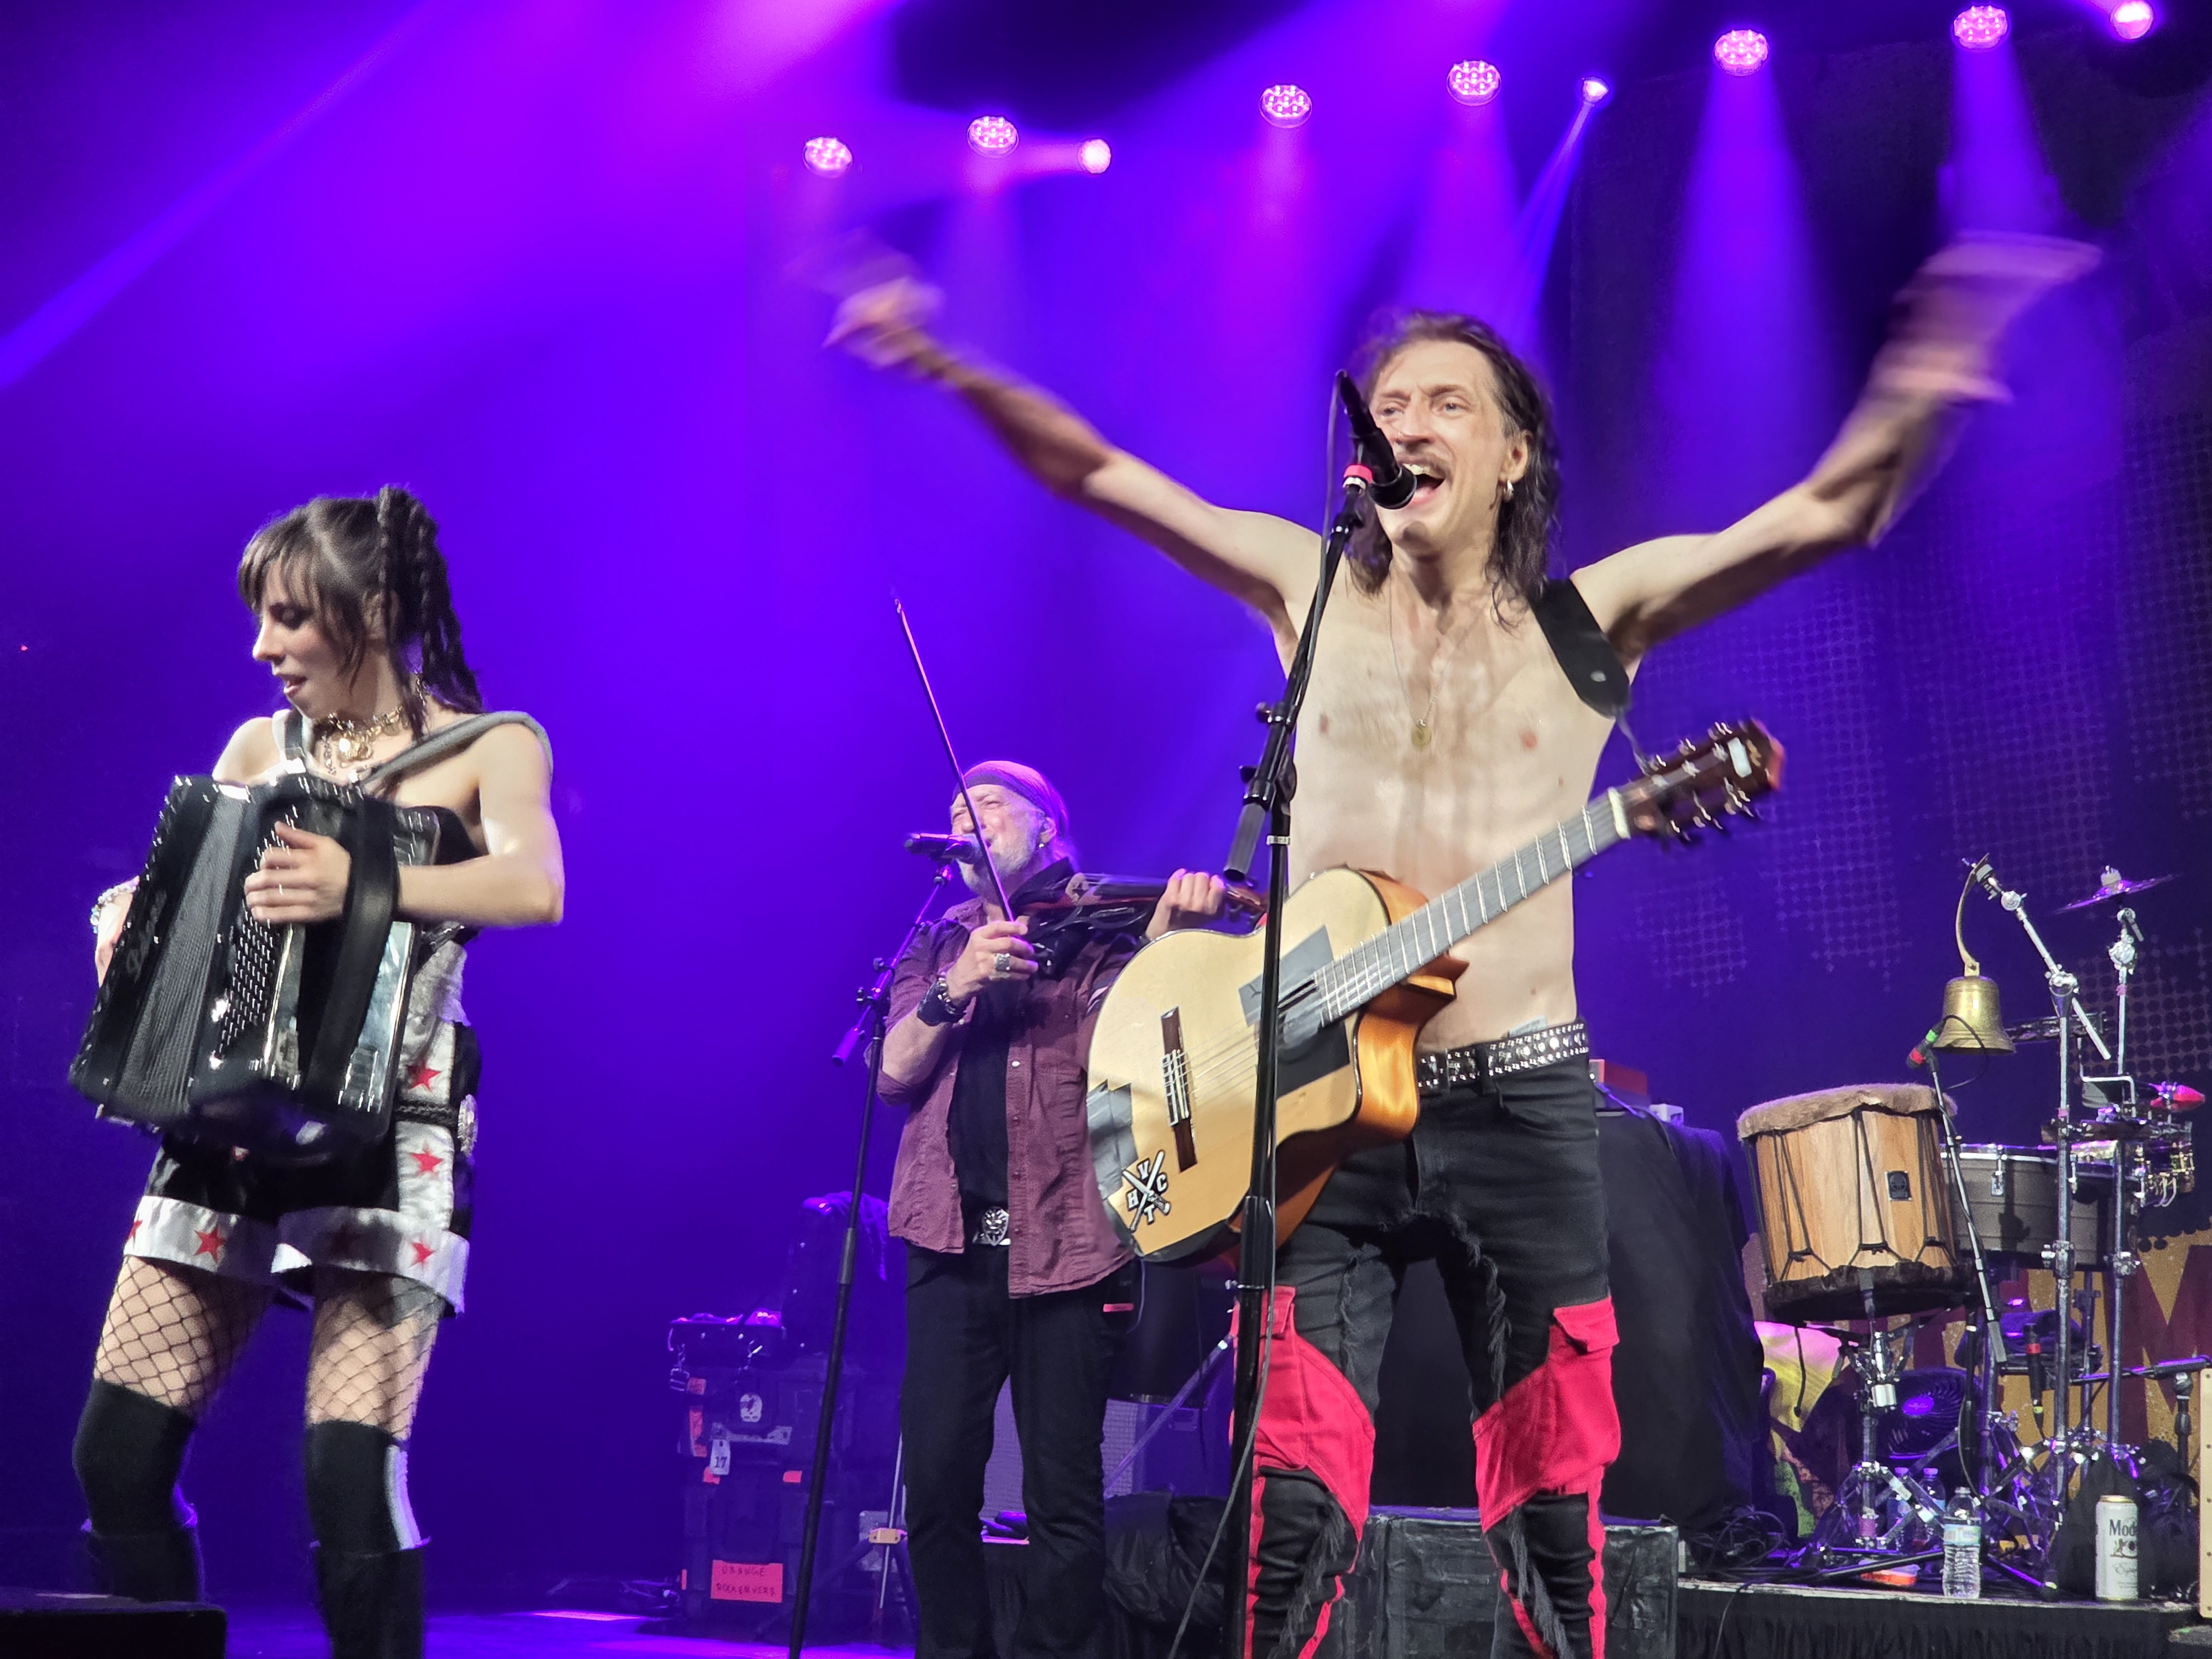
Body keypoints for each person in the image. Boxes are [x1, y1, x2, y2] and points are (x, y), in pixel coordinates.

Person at [832, 233, 2091, 1658]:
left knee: (1552, 1506)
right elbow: (1099, 476)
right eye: (1388, 403)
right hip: (1318, 1108)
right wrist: (944, 359)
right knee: (1292, 1508)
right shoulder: (1300, 592)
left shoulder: (1590, 618)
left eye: (1444, 403)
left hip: (1522, 1095)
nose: (1403, 421)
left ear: (1508, 456)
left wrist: (1927, 374)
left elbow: (1826, 514)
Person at [76, 488, 563, 1658]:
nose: (263, 646)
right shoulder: (259, 748)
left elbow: (533, 889)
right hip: (232, 1115)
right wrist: (121, 920)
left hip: (395, 1125)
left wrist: (367, 883)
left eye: (291, 618)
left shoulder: (491, 745)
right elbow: (192, 893)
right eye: (262, 619)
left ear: (373, 610)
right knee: (117, 1456)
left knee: (346, 1471)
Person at [880, 761, 1223, 1659]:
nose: (966, 818)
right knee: (940, 1489)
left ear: (1049, 831)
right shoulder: (936, 939)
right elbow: (892, 1070)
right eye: (954, 809)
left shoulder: (1103, 930)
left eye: (988, 806)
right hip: (948, 1248)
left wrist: (1164, 947)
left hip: (1068, 1246)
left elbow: (1149, 1055)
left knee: (1062, 1498)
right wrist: (960, 981)